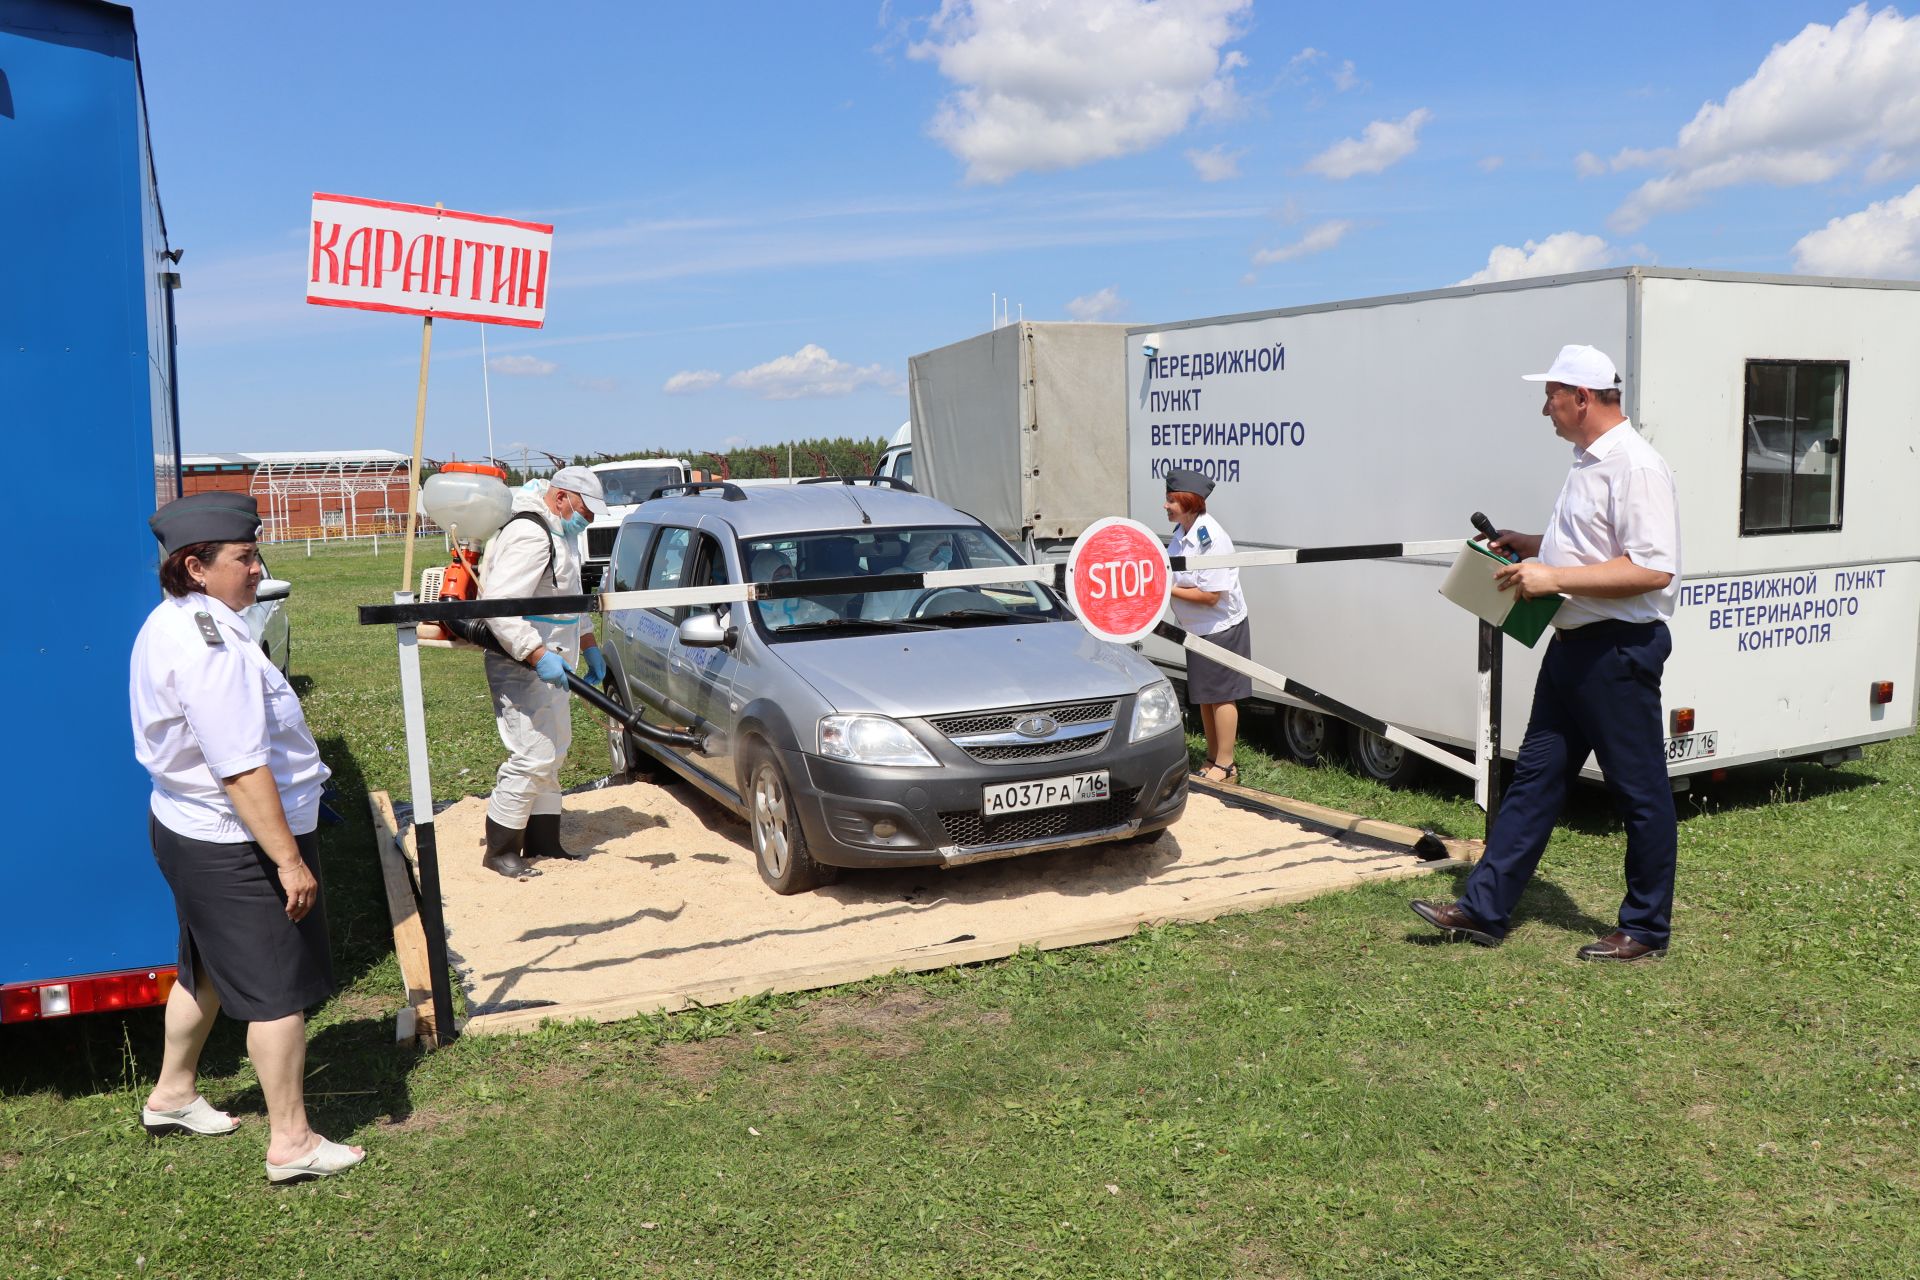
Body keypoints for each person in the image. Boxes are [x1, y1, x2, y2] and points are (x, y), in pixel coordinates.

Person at [1412, 344, 1682, 962]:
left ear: (1582, 398)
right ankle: (1483, 910)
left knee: (1640, 793)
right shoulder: (1588, 461)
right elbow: (1593, 545)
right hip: (1573, 649)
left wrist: (1552, 579)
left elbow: (1652, 569)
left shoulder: (1636, 467)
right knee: (1534, 780)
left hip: (1617, 652)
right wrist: (1531, 543)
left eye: (1552, 395)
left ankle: (1644, 929)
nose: (1545, 408)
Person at [130, 492, 365, 1184]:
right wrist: (289, 862)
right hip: (235, 840)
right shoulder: (209, 649)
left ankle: (173, 1095)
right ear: (196, 566)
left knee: (203, 970)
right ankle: (291, 1141)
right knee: (275, 992)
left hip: (191, 829)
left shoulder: (180, 620)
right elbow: (240, 767)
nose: (258, 568)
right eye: (245, 557)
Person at [479, 466, 609, 879]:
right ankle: (500, 849)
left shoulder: (561, 535)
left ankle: (544, 841)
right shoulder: (531, 533)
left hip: (556, 661)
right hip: (523, 664)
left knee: (555, 752)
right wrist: (535, 655)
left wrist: (590, 648)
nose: (587, 521)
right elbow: (498, 606)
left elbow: (570, 599)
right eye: (585, 512)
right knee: (532, 754)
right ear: (561, 498)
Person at [1163, 468, 1250, 783]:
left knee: (1223, 695)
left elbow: (1212, 596)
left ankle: (1226, 765)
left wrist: (1165, 588)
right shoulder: (1182, 534)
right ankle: (1213, 758)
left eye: (1171, 500)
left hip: (1220, 626)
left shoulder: (1209, 537)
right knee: (1205, 695)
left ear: (1187, 502)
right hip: (1197, 629)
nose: (1166, 506)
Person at [751, 548, 839, 629]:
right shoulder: (751, 614)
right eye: (779, 576)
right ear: (761, 578)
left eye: (789, 575)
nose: (786, 580)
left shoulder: (810, 608)